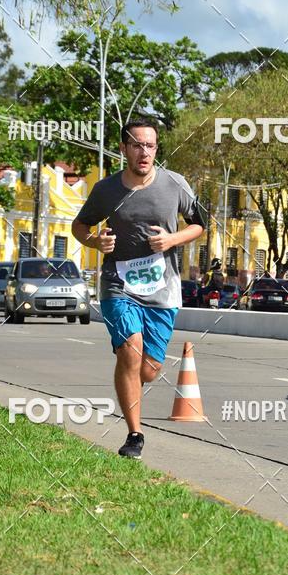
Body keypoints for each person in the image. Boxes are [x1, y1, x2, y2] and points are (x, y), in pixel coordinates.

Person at [71, 119, 204, 459]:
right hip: (118, 284)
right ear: (124, 149)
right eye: (137, 145)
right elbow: (80, 225)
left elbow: (200, 224)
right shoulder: (106, 190)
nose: (144, 152)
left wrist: (172, 239)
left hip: (163, 288)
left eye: (150, 146)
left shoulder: (175, 184)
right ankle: (135, 434)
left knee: (147, 369)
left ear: (156, 149)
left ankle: (127, 381)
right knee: (130, 350)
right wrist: (95, 242)